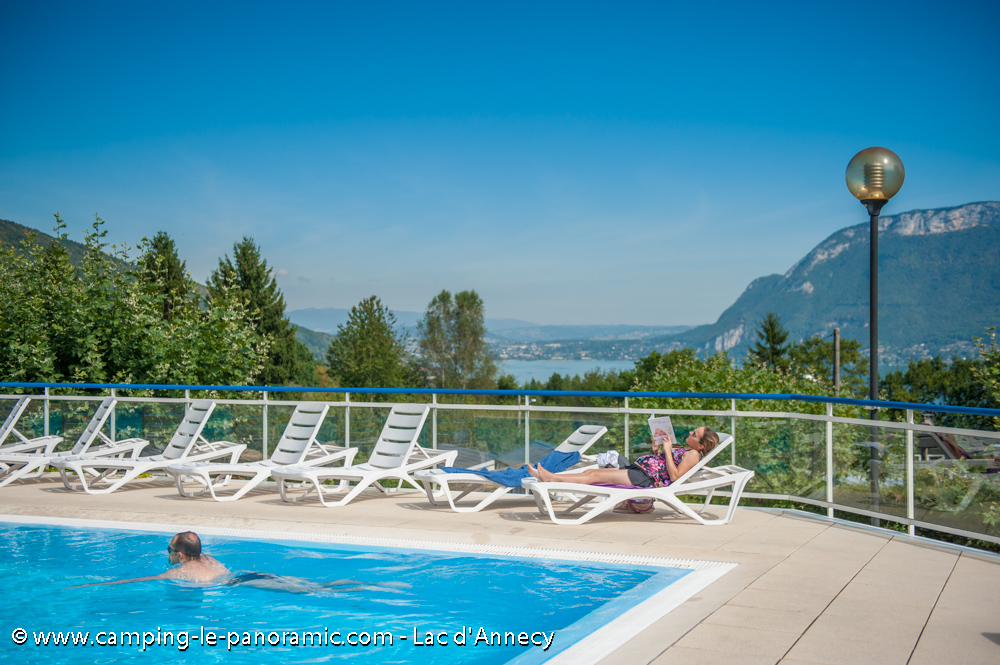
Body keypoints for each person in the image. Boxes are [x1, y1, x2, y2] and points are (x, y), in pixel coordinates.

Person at [527, 426, 720, 488]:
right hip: (641, 470)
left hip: (645, 477)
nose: (691, 432)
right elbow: (664, 465)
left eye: (695, 434)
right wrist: (657, 451)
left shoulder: (694, 454)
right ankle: (551, 477)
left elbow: (675, 476)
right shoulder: (687, 451)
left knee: (593, 475)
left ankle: (551, 478)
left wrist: (668, 450)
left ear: (701, 445)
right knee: (590, 471)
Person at [72, 531, 229, 587]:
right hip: (233, 580)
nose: (168, 554)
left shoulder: (179, 572)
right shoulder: (209, 559)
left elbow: (140, 580)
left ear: (179, 555)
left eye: (170, 550)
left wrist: (95, 584)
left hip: (213, 590)